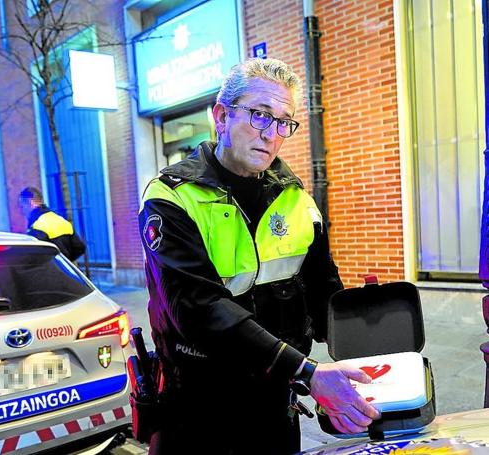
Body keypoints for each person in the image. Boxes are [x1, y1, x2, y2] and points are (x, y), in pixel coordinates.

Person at [138, 58, 381, 455]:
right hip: (197, 416)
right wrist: (307, 372)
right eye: (260, 115)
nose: (272, 134)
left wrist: (373, 354)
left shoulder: (297, 200)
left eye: (284, 122)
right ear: (221, 115)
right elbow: (198, 310)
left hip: (274, 408)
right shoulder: (171, 197)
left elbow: (323, 292)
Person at [18, 186, 86, 262]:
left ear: (30, 203)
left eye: (22, 206)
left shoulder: (38, 226)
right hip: (64, 272)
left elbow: (32, 257)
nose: (22, 211)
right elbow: (80, 248)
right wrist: (65, 263)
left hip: (47, 272)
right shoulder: (62, 220)